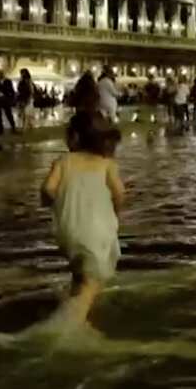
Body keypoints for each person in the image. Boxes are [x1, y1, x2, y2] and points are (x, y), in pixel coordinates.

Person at [41, 111, 125, 329]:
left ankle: (84, 316)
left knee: (79, 276)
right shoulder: (107, 164)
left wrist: (53, 203)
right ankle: (70, 326)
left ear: (74, 137)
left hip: (67, 229)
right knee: (92, 282)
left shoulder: (63, 161)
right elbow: (120, 194)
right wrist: (116, 213)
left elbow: (48, 190)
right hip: (97, 231)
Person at [0, 69, 18, 134]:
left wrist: (9, 96)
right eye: (0, 73)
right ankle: (0, 129)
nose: (1, 74)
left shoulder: (8, 81)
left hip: (6, 99)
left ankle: (13, 127)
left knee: (9, 114)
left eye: (2, 73)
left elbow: (11, 90)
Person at [16, 68, 36, 133]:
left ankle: (24, 128)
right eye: (21, 73)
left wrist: (29, 98)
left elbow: (31, 90)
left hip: (27, 98)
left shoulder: (28, 80)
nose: (21, 74)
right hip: (22, 98)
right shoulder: (21, 80)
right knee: (25, 113)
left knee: (25, 113)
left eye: (22, 73)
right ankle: (30, 125)